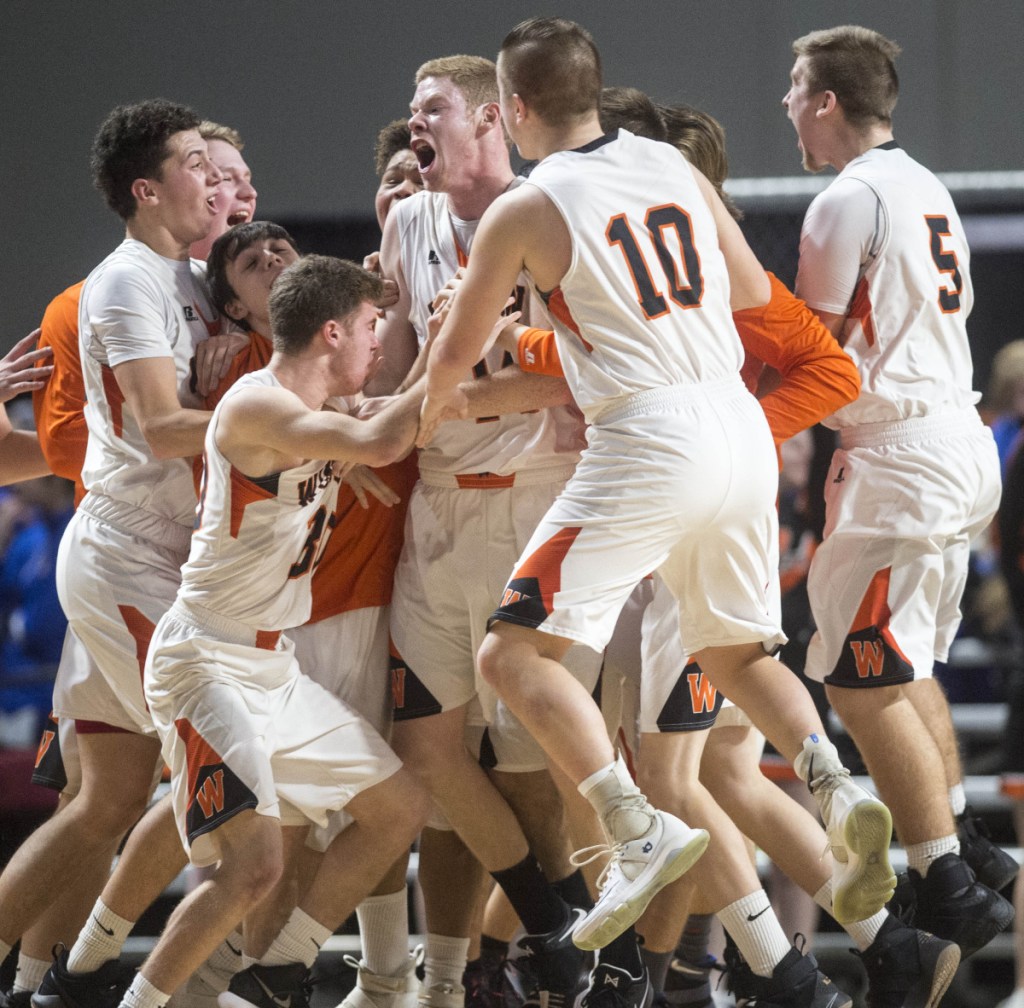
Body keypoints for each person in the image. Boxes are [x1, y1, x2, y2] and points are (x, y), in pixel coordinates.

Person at [419, 17, 896, 1007]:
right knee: (733, 653)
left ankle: (634, 830)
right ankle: (834, 782)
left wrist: (435, 396)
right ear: (595, 92)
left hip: (647, 437)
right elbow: (739, 291)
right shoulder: (671, 168)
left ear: (510, 110)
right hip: (736, 427)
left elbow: (451, 361)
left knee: (513, 657)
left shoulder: (527, 203)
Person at [510, 88, 955, 1008]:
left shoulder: (704, 270)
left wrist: (737, 434)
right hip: (695, 524)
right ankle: (879, 939)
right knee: (718, 775)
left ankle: (770, 970)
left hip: (702, 526)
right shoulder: (635, 268)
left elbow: (831, 370)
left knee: (675, 777)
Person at [98, 253, 428, 1008]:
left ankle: (276, 973)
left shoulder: (316, 409)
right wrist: (450, 347)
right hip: (206, 661)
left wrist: (432, 366)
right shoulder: (256, 407)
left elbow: (380, 421)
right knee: (251, 869)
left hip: (272, 669)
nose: (381, 343)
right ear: (333, 332)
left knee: (397, 807)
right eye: (373, 327)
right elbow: (383, 441)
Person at [0, 120, 260, 1008]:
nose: (224, 187)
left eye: (231, 174)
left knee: (106, 804)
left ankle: (47, 984)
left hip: (167, 557)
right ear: (148, 189)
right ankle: (173, 981)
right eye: (202, 168)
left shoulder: (195, 282)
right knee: (224, 782)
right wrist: (293, 412)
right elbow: (142, 429)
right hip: (125, 559)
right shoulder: (113, 289)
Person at [371, 54, 601, 1008]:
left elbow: (574, 374)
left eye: (430, 108)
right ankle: (543, 924)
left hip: (532, 495)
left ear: (488, 121)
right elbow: (391, 375)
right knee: (426, 746)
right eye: (411, 108)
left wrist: (450, 396)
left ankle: (575, 963)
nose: (412, 123)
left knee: (532, 769)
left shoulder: (551, 213)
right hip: (436, 501)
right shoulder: (407, 219)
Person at [783, 24, 1015, 958]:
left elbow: (815, 356)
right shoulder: (926, 185)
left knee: (859, 674)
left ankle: (944, 878)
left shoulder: (848, 199)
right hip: (953, 442)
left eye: (796, 90)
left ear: (827, 100)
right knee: (902, 662)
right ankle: (962, 843)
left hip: (899, 452)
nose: (788, 107)